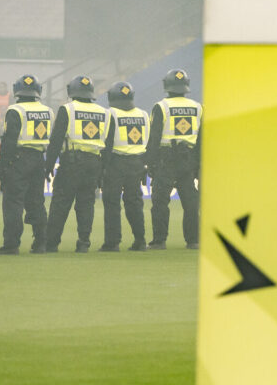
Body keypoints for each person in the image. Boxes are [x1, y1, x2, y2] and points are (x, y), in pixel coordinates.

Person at [44, 75, 109, 253]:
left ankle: (51, 243)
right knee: (86, 204)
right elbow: (107, 144)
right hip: (94, 162)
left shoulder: (68, 109)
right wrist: (103, 169)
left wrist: (48, 165)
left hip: (72, 163)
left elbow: (56, 139)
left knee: (61, 203)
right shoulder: (104, 112)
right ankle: (83, 243)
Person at [0, 74, 52, 255]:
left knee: (13, 203)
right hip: (39, 159)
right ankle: (41, 242)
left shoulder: (15, 110)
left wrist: (3, 167)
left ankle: (11, 245)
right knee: (37, 202)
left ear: (16, 90)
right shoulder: (48, 111)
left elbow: (9, 141)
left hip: (19, 160)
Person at [148, 69, 202, 250]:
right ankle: (193, 240)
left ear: (167, 86)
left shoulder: (161, 107)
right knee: (190, 202)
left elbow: (154, 138)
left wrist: (151, 164)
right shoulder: (198, 107)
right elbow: (202, 139)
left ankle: (159, 240)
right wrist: (198, 165)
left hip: (166, 160)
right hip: (188, 160)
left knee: (160, 202)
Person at [101, 81, 150, 252]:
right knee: (135, 203)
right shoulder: (143, 114)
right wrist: (145, 165)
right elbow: (148, 142)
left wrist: (102, 168)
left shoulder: (110, 114)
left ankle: (112, 243)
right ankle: (140, 240)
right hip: (137, 163)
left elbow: (106, 143)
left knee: (112, 203)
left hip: (115, 162)